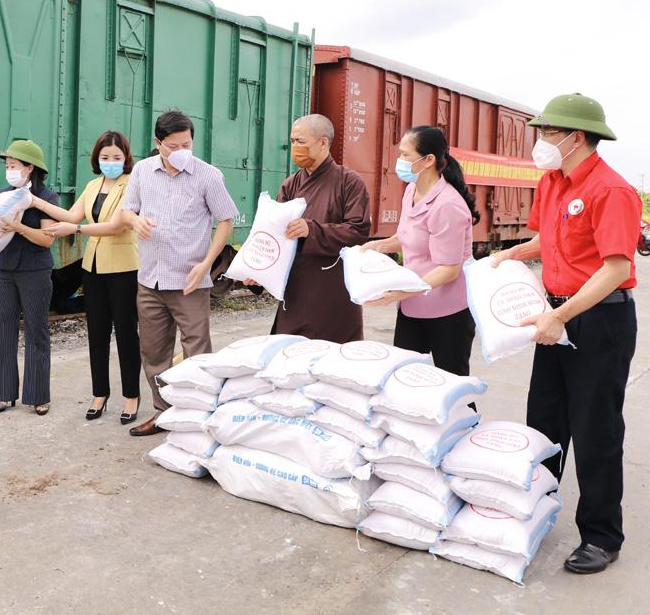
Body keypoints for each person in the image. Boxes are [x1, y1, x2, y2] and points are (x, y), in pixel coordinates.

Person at [491, 93, 639, 574]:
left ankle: (601, 536)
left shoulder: (611, 190)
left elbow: (616, 266)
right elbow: (548, 238)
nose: (541, 141)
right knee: (545, 421)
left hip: (599, 319)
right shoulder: (552, 182)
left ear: (575, 137)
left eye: (547, 132)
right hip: (554, 313)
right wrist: (513, 255)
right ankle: (538, 508)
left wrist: (563, 315)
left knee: (595, 428)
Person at [120, 110, 239, 436]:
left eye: (187, 144)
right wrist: (136, 221)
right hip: (150, 280)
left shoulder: (207, 175)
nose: (182, 150)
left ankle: (200, 419)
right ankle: (163, 413)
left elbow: (226, 219)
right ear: (158, 143)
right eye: (174, 146)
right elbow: (127, 210)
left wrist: (207, 263)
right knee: (154, 353)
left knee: (197, 352)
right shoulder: (143, 171)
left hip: (190, 281)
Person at [36, 131, 142, 425]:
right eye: (105, 157)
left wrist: (78, 231)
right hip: (93, 269)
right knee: (96, 333)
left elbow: (116, 226)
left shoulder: (132, 184)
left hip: (123, 268)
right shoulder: (93, 185)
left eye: (116, 157)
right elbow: (71, 216)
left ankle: (131, 397)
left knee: (125, 334)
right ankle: (100, 395)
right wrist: (38, 203)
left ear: (126, 159)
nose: (111, 162)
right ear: (97, 159)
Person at [360, 126, 478, 380]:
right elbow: (406, 238)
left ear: (429, 160)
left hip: (448, 313)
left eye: (405, 155)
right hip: (412, 307)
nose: (399, 162)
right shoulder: (412, 192)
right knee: (406, 380)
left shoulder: (447, 205)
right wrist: (375, 246)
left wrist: (401, 291)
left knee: (451, 385)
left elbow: (449, 269)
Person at [257, 114, 370, 342]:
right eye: (292, 141)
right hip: (296, 288)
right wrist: (259, 268)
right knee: (288, 356)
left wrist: (312, 230)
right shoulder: (290, 184)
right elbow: (275, 234)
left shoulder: (350, 182)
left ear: (323, 143)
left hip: (332, 288)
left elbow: (358, 232)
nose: (295, 147)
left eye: (301, 142)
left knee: (331, 358)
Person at [0, 140, 59, 416]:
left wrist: (18, 226)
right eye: (7, 166)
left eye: (14, 166)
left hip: (35, 270)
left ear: (30, 168)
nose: (9, 170)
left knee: (36, 330)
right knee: (3, 329)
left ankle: (38, 396)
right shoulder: (3, 194)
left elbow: (46, 240)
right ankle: (3, 394)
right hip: (5, 270)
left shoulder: (47, 198)